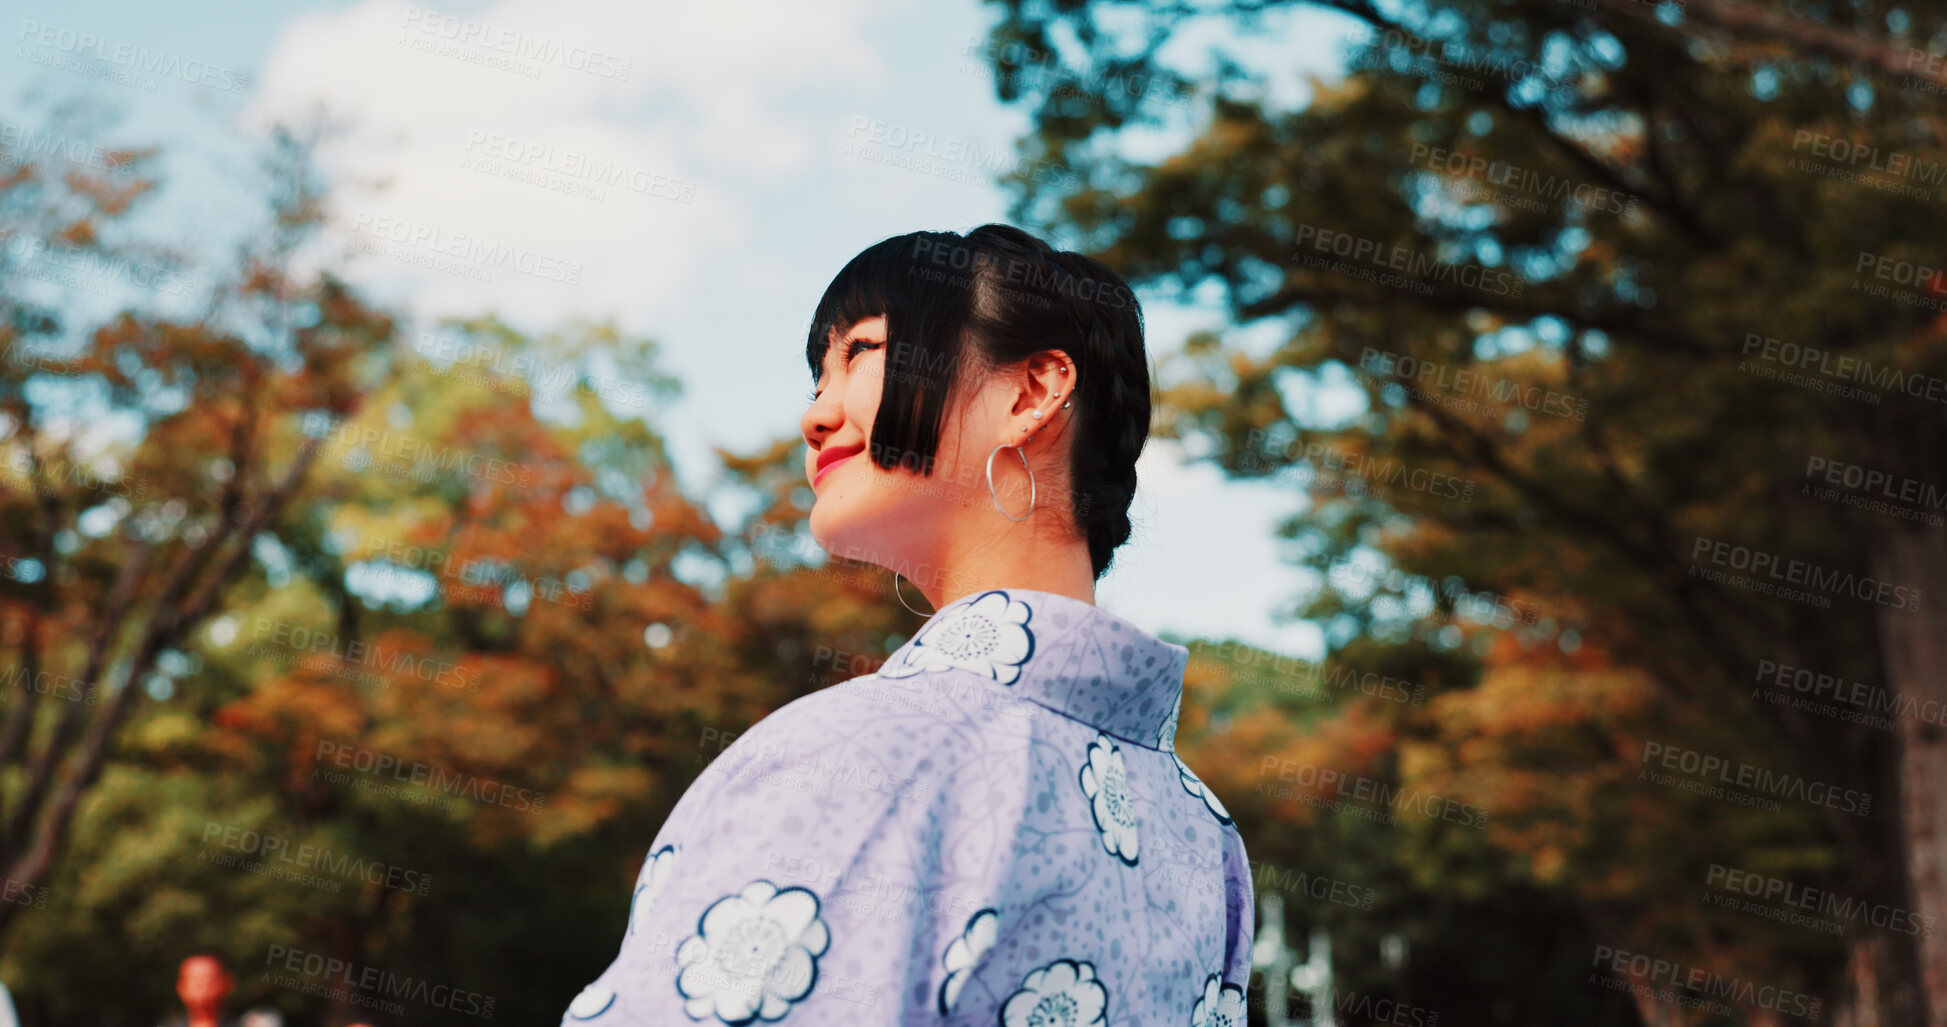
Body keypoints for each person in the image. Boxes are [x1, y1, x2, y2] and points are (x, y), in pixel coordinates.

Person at [563, 225, 1253, 1024]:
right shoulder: (1204, 833)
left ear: (1030, 393)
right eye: (817, 373)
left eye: (859, 351)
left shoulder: (859, 752)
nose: (814, 415)